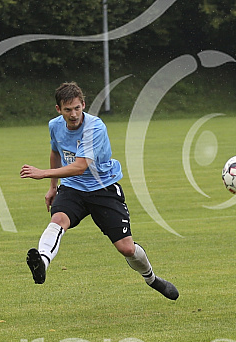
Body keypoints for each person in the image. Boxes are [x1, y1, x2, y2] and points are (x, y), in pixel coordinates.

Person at [20, 81, 178, 300]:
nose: (73, 114)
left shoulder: (95, 127)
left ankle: (151, 278)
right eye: (68, 110)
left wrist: (43, 173)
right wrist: (53, 187)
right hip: (73, 188)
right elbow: (55, 152)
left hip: (103, 188)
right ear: (59, 110)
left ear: (83, 104)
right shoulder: (55, 125)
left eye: (77, 108)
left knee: (126, 249)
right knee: (58, 220)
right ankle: (42, 263)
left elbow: (81, 165)